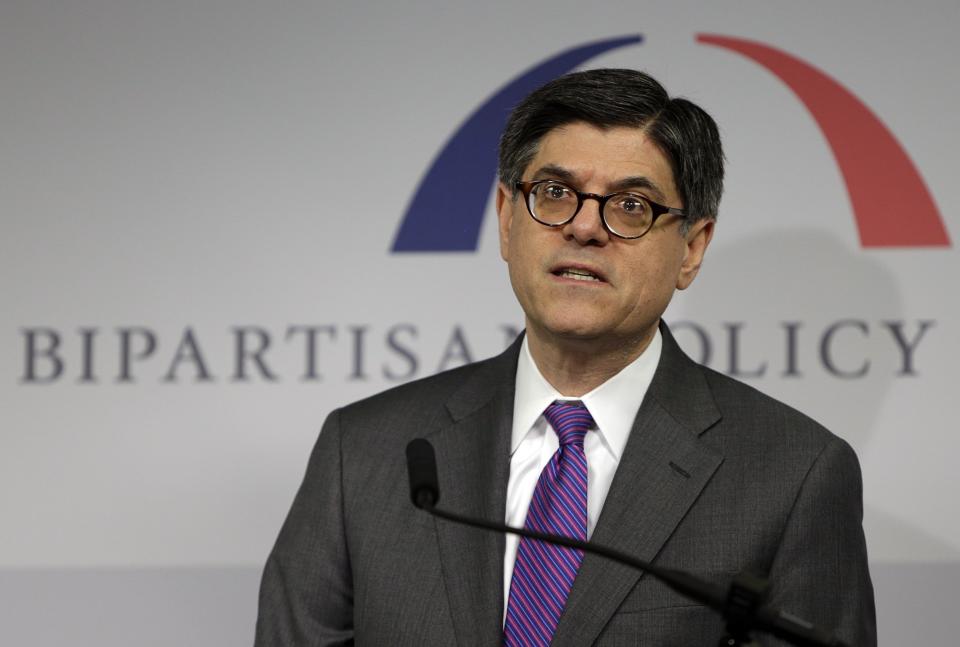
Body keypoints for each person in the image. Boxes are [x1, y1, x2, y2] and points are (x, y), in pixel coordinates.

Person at [254, 68, 876, 646]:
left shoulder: (794, 476)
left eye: (632, 205)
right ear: (505, 219)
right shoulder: (363, 452)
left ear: (692, 247)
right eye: (554, 192)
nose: (583, 227)